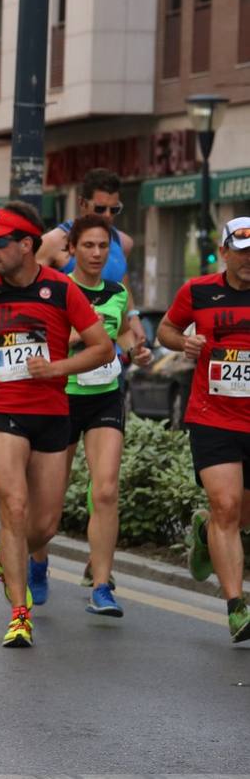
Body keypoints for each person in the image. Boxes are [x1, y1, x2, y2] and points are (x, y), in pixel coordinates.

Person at [0, 202, 112, 648]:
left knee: (44, 525)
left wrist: (58, 369)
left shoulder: (61, 290)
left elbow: (103, 348)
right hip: (0, 410)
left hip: (53, 413)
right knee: (13, 507)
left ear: (26, 245)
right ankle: (20, 614)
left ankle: (5, 556)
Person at [34, 215, 151, 617]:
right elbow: (43, 343)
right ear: (72, 250)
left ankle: (102, 585)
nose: (97, 253)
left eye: (104, 246)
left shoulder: (117, 292)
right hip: (62, 397)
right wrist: (80, 337)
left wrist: (134, 348)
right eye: (89, 246)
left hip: (104, 396)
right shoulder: (56, 291)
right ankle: (37, 561)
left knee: (105, 490)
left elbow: (120, 335)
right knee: (51, 496)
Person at [159, 216, 250, 644]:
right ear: (225, 250)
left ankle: (204, 530)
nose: (249, 260)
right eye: (242, 251)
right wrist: (184, 343)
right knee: (227, 506)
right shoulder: (197, 291)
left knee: (237, 514)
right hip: (212, 415)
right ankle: (236, 607)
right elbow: (167, 330)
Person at [38, 168, 145, 345]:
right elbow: (31, 292)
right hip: (71, 351)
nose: (107, 216)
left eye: (114, 209)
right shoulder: (54, 242)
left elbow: (120, 283)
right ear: (82, 203)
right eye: (100, 208)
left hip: (111, 352)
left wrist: (133, 317)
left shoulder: (123, 242)